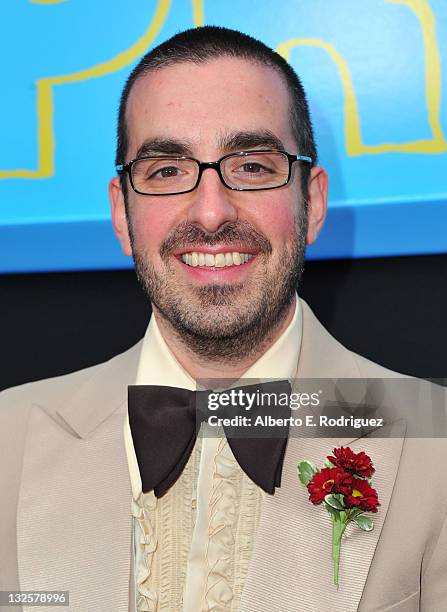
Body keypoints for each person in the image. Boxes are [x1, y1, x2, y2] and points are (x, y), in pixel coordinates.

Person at [0, 25, 446, 612]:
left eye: (253, 167)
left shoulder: (436, 446)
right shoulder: (8, 440)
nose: (211, 213)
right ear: (120, 215)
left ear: (311, 204)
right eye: (166, 171)